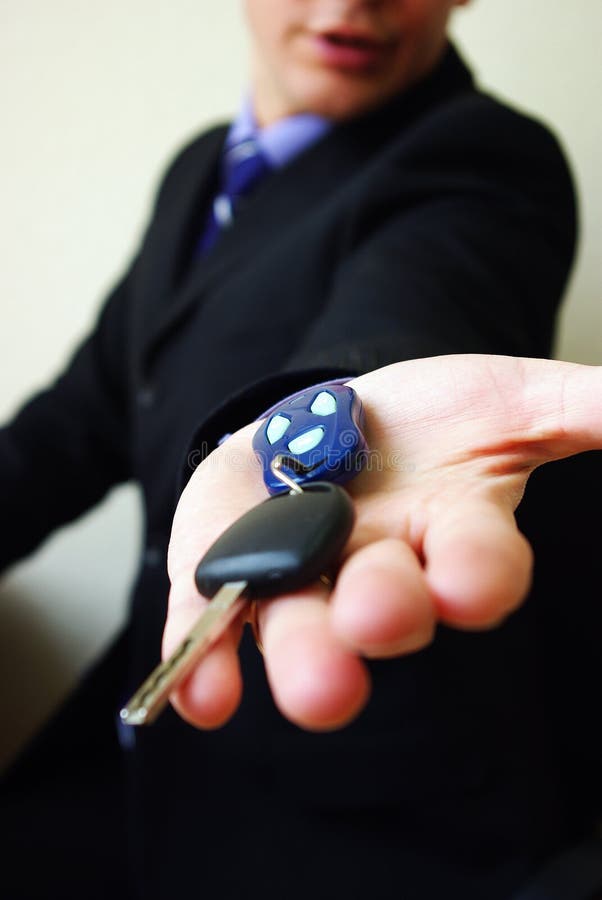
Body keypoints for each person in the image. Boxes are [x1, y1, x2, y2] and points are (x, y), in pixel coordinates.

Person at [1, 1, 600, 898]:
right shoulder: (198, 171)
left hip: (347, 811)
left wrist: (351, 396)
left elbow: (415, 301)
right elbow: (76, 422)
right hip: (134, 762)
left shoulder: (486, 155)